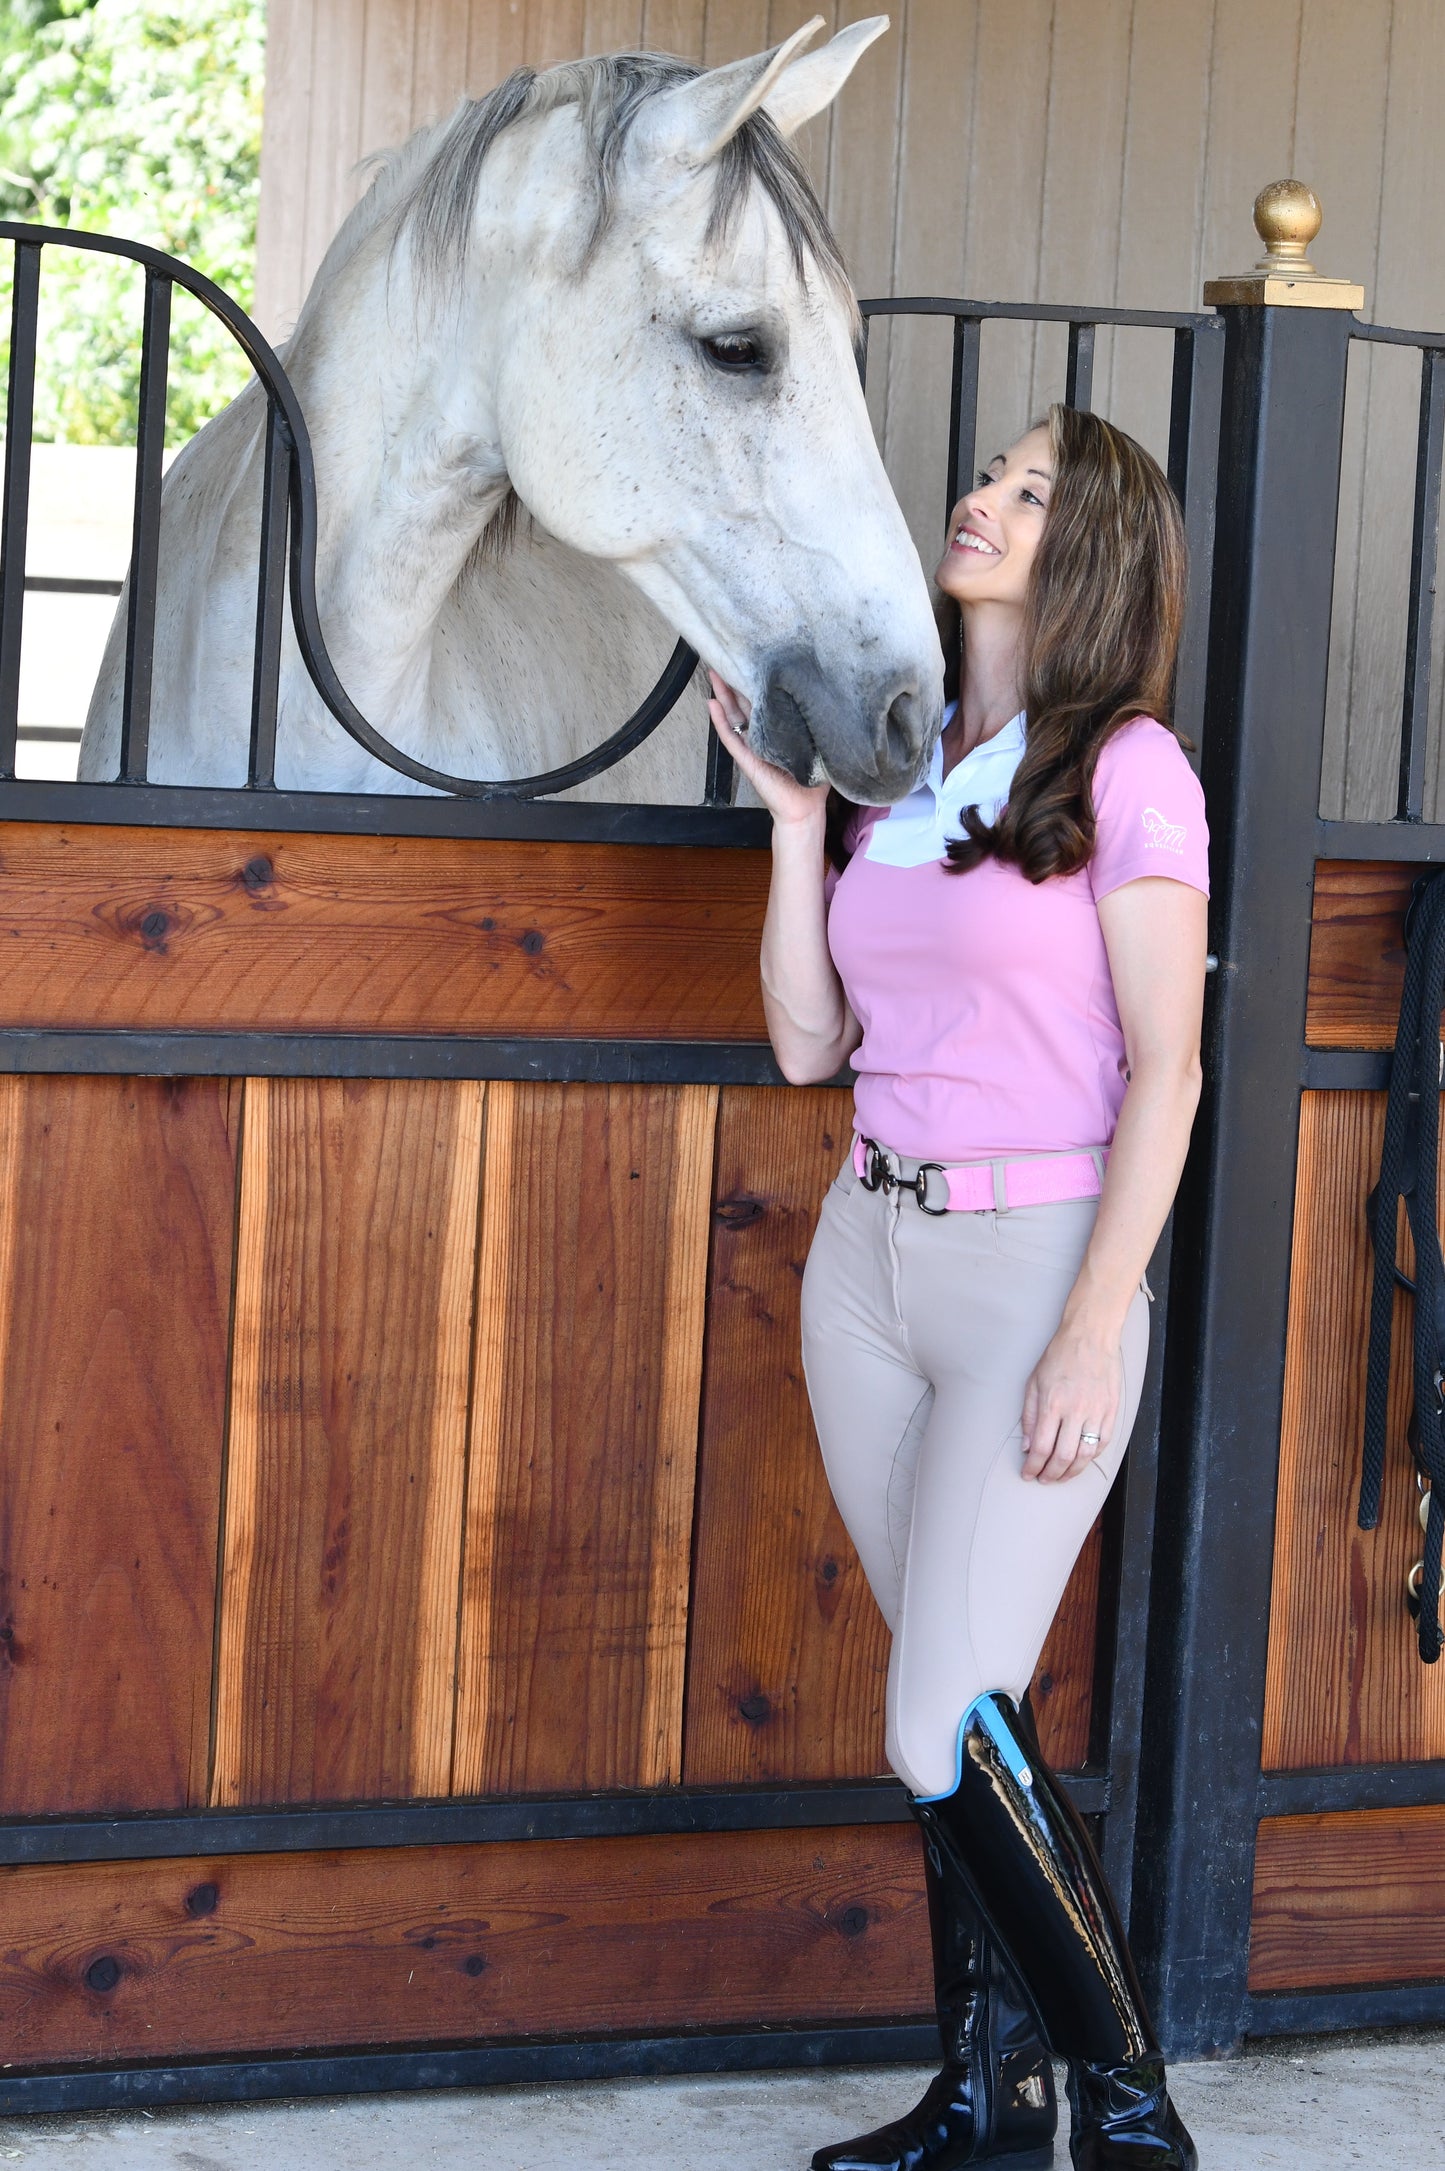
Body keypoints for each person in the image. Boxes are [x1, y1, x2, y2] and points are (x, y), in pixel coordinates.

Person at [707, 404, 1207, 2171]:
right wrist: (791, 822)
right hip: (868, 1259)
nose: (981, 499)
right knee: (964, 1708)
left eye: (1029, 490)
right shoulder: (912, 775)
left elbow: (1169, 1070)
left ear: (1093, 556)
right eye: (988, 472)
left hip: (1032, 1270)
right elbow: (803, 1044)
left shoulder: (1129, 772)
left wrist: (1095, 1320)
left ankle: (1131, 2112)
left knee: (933, 1716)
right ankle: (989, 2104)